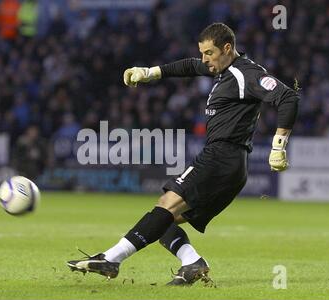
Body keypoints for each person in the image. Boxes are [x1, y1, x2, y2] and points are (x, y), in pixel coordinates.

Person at [67, 23, 299, 286]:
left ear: (227, 48)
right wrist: (149, 72)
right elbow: (190, 66)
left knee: (165, 207)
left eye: (209, 53)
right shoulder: (222, 69)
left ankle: (111, 258)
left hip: (221, 157)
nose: (204, 60)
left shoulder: (246, 73)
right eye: (202, 53)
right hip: (230, 165)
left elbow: (288, 98)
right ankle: (192, 263)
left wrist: (279, 145)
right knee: (164, 215)